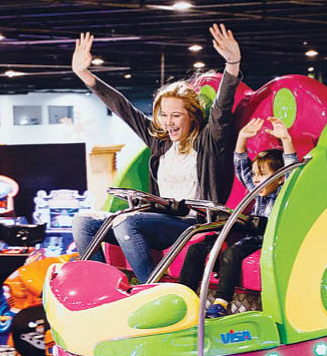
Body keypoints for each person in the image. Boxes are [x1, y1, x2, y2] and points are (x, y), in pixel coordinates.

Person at [71, 24, 243, 284]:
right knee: (84, 221)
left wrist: (233, 63)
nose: (168, 122)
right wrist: (85, 75)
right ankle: (102, 284)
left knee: (129, 223)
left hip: (194, 224)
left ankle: (151, 289)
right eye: (163, 115)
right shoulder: (160, 142)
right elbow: (123, 109)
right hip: (161, 220)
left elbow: (222, 107)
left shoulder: (209, 141)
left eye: (176, 115)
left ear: (191, 116)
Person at [177, 116, 297, 317]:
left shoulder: (284, 191)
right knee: (197, 248)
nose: (256, 179)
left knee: (232, 252)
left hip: (263, 239)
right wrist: (242, 138)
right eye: (255, 174)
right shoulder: (257, 189)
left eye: (262, 174)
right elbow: (241, 168)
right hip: (247, 233)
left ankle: (221, 303)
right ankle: (183, 297)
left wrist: (286, 141)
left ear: (279, 178)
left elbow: (291, 170)